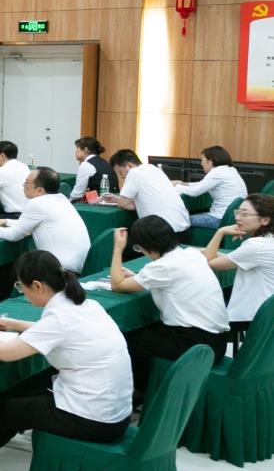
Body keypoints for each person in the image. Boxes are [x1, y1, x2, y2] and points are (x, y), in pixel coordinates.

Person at [0, 251, 132, 454]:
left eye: (21, 286)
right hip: (114, 411)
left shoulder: (59, 318)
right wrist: (12, 324)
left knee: (5, 411)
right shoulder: (87, 304)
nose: (22, 292)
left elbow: (3, 353)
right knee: (22, 389)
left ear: (37, 286)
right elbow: (57, 331)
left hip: (96, 421)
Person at [110, 216, 228, 393]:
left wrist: (118, 249)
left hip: (194, 344)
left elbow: (117, 285)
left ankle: (141, 392)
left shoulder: (162, 267)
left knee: (128, 339)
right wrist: (139, 278)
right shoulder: (191, 254)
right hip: (218, 341)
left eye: (139, 248)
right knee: (148, 330)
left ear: (148, 247)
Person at [0, 168, 91, 272]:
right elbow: (30, 224)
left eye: (26, 183)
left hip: (60, 270)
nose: (23, 185)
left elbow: (14, 235)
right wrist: (3, 222)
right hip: (80, 266)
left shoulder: (37, 203)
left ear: (40, 190)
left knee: (19, 268)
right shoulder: (61, 199)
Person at [205, 194, 274, 326]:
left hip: (253, 317)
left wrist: (220, 232)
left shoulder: (256, 246)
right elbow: (236, 258)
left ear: (265, 220)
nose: (237, 218)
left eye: (244, 214)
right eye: (238, 212)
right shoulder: (267, 241)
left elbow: (209, 261)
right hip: (268, 313)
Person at [110, 149, 191, 238]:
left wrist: (118, 200)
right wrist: (117, 199)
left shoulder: (135, 172)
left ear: (129, 165)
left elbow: (123, 203)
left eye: (120, 172)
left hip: (164, 233)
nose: (122, 176)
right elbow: (144, 201)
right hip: (184, 229)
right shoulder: (153, 168)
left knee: (121, 238)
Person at [176, 145, 244, 230]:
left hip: (219, 219)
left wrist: (177, 186)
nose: (201, 163)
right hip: (231, 218)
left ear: (210, 161)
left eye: (202, 160)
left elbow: (195, 192)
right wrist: (184, 184)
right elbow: (203, 184)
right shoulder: (230, 170)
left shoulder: (217, 172)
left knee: (180, 220)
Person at [69, 136, 117, 202]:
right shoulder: (104, 162)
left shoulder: (86, 165)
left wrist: (68, 201)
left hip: (100, 203)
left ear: (85, 149)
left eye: (78, 148)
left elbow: (78, 193)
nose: (76, 151)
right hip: (113, 200)